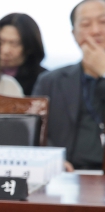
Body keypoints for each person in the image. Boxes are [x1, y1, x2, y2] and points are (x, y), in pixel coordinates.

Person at [33, 0, 105, 171]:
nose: (96, 30)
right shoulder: (50, 81)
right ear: (74, 34)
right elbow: (34, 131)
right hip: (66, 173)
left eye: (103, 22)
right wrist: (51, 159)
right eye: (86, 24)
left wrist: (103, 70)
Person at [0, 13, 47, 96]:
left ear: (29, 47)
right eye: (0, 42)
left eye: (14, 44)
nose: (5, 50)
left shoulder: (44, 80)